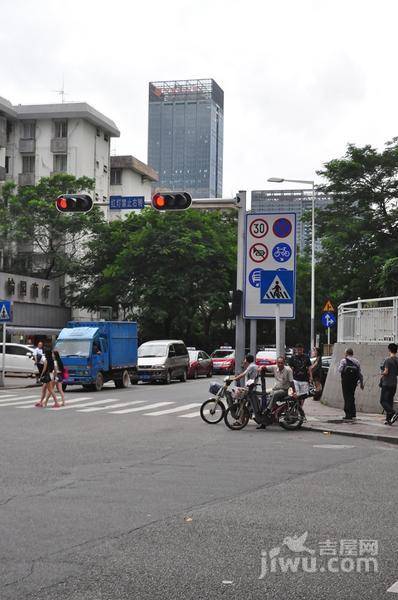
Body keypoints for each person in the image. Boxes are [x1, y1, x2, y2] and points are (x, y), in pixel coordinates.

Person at [258, 356, 296, 429]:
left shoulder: (288, 370)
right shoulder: (274, 367)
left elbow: (291, 382)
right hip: (276, 389)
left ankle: (268, 409)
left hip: (285, 390)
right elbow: (265, 367)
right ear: (276, 363)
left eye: (281, 363)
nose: (280, 364)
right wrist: (261, 368)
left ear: (284, 363)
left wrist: (294, 392)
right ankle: (264, 421)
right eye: (279, 363)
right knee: (265, 398)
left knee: (275, 395)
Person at [338, 348, 364, 422]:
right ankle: (353, 414)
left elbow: (339, 370)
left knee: (347, 397)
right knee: (351, 396)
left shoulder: (343, 361)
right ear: (352, 353)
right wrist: (361, 383)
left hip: (345, 381)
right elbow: (359, 373)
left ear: (346, 353)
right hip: (354, 382)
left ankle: (348, 414)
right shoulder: (357, 362)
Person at [379, 343, 398, 425]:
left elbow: (386, 372)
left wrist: (381, 373)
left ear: (389, 350)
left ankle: (393, 412)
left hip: (386, 383)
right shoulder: (397, 360)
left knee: (383, 400)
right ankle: (389, 420)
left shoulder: (388, 360)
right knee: (389, 401)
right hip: (394, 384)